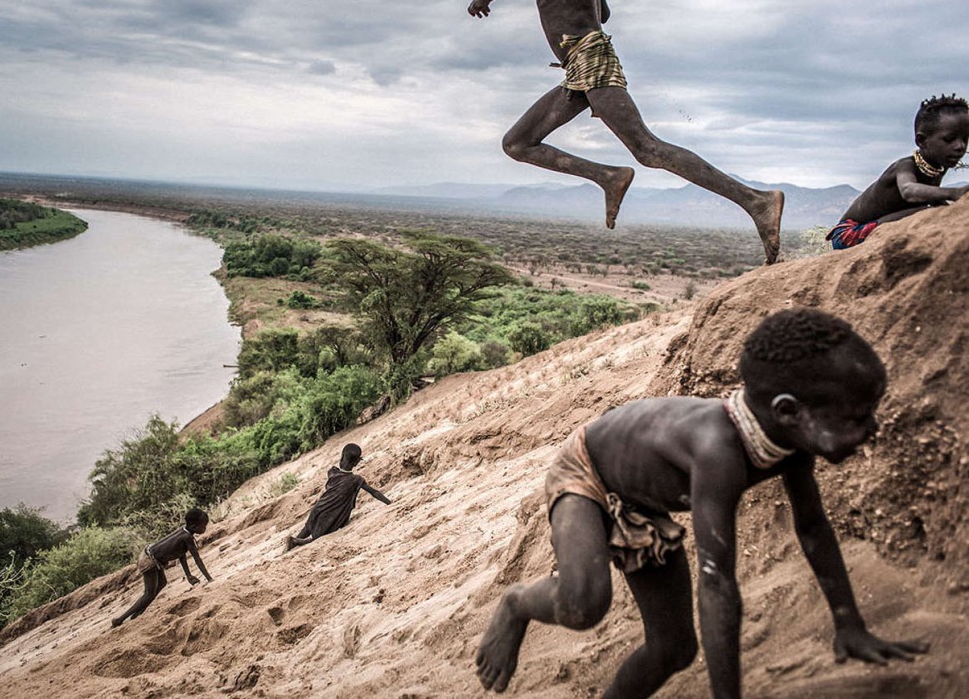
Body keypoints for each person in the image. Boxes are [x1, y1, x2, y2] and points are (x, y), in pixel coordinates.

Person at [475, 308, 928, 697]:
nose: (873, 429)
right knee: (584, 603)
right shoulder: (718, 453)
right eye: (856, 418)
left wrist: (850, 626)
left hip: (643, 495)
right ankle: (517, 604)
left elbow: (812, 529)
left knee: (673, 649)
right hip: (585, 471)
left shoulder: (789, 445)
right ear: (788, 411)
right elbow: (717, 585)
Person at [467, 0, 785, 263]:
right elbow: (603, 12)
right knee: (517, 143)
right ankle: (609, 177)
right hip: (580, 63)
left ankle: (758, 201)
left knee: (647, 149)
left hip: (589, 57)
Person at [827, 94, 968, 250]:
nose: (960, 146)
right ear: (921, 141)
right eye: (949, 139)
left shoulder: (939, 167)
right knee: (927, 212)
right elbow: (909, 191)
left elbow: (934, 200)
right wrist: (954, 193)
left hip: (886, 222)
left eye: (965, 139)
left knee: (935, 212)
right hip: (848, 234)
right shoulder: (905, 166)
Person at [111, 508, 213, 627]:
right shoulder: (187, 537)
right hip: (150, 560)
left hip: (150, 556)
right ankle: (120, 619)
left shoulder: (184, 531)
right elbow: (197, 559)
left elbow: (181, 554)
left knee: (162, 583)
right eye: (203, 526)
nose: (205, 529)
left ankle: (137, 614)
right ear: (194, 526)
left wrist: (188, 575)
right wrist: (209, 579)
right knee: (149, 593)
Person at [286, 443, 392, 551]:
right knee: (320, 537)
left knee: (308, 528)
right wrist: (390, 503)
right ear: (356, 463)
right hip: (333, 513)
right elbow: (374, 493)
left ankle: (291, 545)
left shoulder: (332, 472)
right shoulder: (356, 480)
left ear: (341, 457)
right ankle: (296, 541)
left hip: (319, 507)